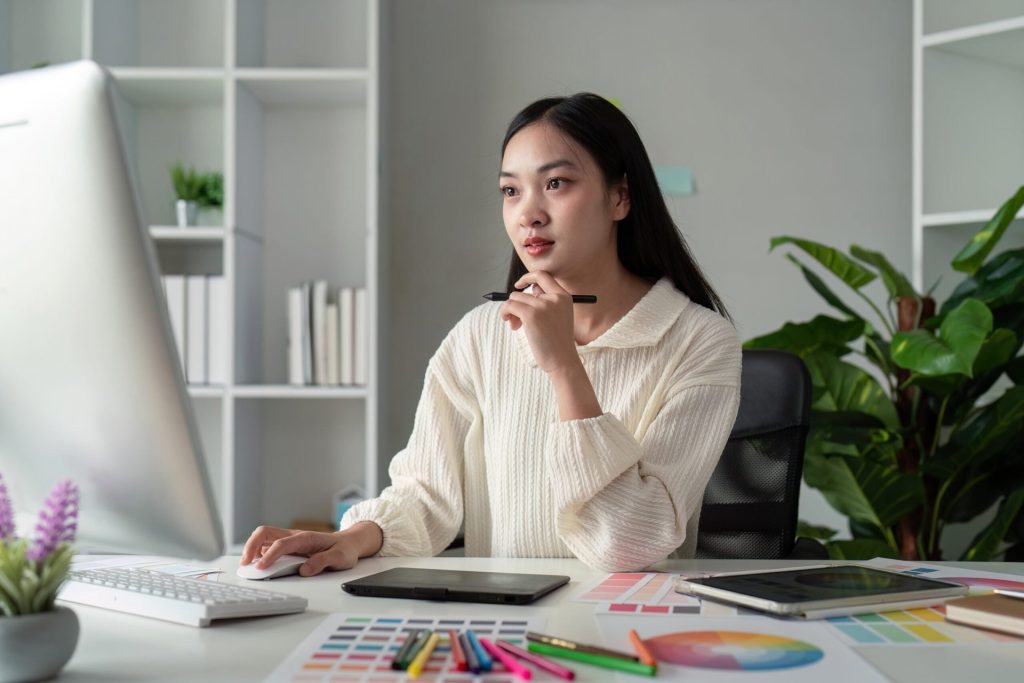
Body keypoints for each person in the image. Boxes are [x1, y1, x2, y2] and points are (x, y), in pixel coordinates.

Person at [241, 93, 741, 575]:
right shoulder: (479, 336)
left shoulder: (700, 343)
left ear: (620, 196)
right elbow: (426, 495)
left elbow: (631, 543)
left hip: (631, 628)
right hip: (507, 621)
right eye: (510, 190)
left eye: (556, 183)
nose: (528, 213)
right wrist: (351, 539)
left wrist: (564, 366)